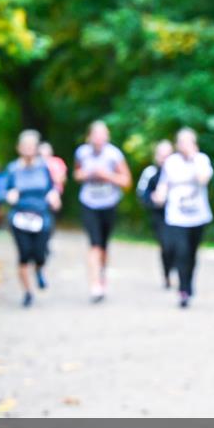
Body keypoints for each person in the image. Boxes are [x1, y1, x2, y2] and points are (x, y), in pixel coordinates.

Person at [153, 128, 213, 308]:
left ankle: (188, 282)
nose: (184, 146)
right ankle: (183, 289)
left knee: (192, 253)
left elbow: (203, 179)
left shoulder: (202, 160)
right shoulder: (171, 162)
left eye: (188, 142)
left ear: (194, 144)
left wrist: (193, 157)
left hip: (198, 216)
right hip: (176, 216)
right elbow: (164, 183)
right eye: (181, 142)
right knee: (181, 252)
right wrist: (160, 195)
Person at [73, 120, 132, 303]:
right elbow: (76, 175)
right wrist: (88, 174)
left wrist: (107, 176)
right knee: (94, 244)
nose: (99, 138)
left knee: (103, 246)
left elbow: (126, 182)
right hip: (89, 204)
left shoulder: (114, 155)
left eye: (102, 135)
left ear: (107, 137)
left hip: (109, 204)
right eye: (95, 135)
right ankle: (95, 285)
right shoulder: (82, 153)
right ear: (89, 136)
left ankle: (101, 274)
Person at [5, 129, 61, 308]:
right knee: (24, 255)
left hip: (41, 216)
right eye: (25, 146)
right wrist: (10, 195)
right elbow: (5, 190)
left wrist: (54, 196)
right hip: (20, 216)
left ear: (36, 148)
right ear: (19, 148)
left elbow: (52, 188)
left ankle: (39, 269)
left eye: (32, 146)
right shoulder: (13, 169)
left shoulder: (44, 167)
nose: (29, 149)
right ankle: (28, 293)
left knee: (39, 254)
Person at [136, 139, 175, 289]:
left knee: (179, 246)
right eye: (161, 155)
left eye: (167, 155)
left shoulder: (179, 171)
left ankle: (176, 270)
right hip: (159, 216)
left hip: (179, 216)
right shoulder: (150, 173)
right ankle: (167, 275)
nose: (164, 159)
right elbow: (142, 193)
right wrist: (152, 199)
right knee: (166, 245)